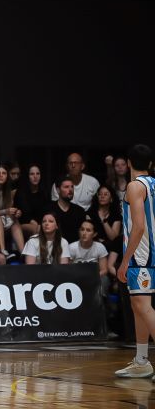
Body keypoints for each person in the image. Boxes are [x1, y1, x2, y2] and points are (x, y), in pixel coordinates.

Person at [114, 144, 155, 378]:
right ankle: (141, 361)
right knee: (138, 306)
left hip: (141, 255)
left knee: (142, 307)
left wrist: (125, 260)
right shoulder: (153, 184)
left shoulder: (134, 186)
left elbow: (138, 226)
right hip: (152, 252)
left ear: (128, 163)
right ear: (150, 164)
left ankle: (142, 360)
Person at [69, 221, 109, 294]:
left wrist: (91, 277)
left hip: (95, 277)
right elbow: (68, 269)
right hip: (76, 277)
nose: (84, 233)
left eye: (88, 230)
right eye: (82, 229)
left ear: (94, 234)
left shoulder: (100, 247)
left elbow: (104, 270)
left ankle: (101, 302)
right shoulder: (72, 247)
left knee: (104, 279)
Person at [49, 177, 88, 244]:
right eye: (66, 187)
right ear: (58, 190)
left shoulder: (79, 211)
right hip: (54, 248)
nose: (70, 190)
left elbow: (83, 234)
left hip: (75, 250)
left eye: (72, 187)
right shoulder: (49, 209)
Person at [14, 164, 50, 237]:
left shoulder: (44, 192)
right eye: (32, 174)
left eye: (38, 174)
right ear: (28, 176)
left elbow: (47, 211)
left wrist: (43, 223)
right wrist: (34, 222)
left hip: (41, 223)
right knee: (36, 229)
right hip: (23, 223)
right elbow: (23, 214)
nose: (35, 176)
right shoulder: (21, 192)